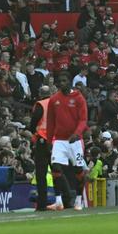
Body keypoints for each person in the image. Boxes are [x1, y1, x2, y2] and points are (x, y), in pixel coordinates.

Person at [46, 72, 88, 211]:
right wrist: (49, 140)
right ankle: (58, 201)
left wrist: (77, 133)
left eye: (64, 81)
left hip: (75, 141)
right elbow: (51, 122)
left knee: (78, 171)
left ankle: (79, 200)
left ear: (69, 82)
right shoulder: (54, 99)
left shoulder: (78, 98)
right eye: (60, 81)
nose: (62, 83)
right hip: (59, 140)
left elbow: (83, 119)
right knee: (55, 167)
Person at [28, 86, 52, 211]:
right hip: (56, 140)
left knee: (41, 173)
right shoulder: (56, 103)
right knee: (58, 171)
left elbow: (34, 121)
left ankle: (42, 204)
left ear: (40, 94)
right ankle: (64, 199)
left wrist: (33, 131)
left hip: (43, 139)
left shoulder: (41, 105)